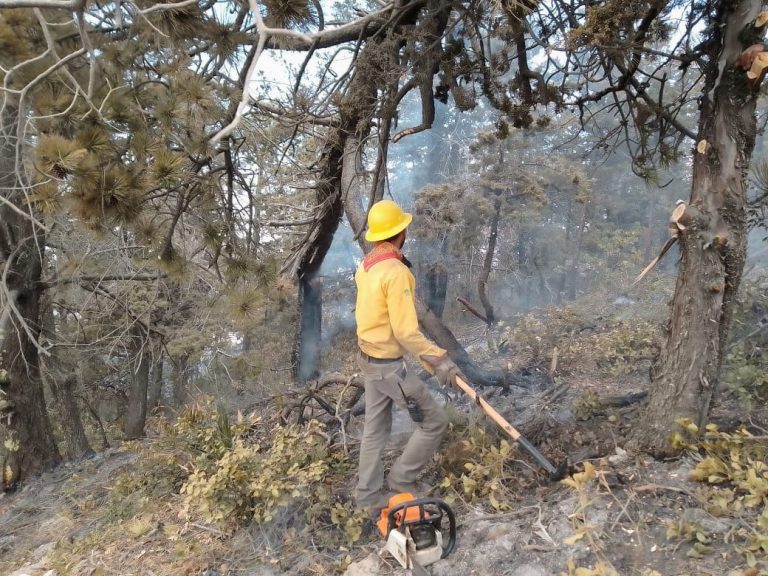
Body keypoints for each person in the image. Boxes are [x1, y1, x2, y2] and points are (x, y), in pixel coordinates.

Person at [354, 199, 462, 517]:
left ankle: (367, 497)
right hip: (388, 368)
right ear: (401, 231)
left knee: (374, 429)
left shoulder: (366, 265)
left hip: (368, 358)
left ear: (376, 236)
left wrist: (430, 361)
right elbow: (406, 332)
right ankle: (399, 484)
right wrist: (439, 359)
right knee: (434, 422)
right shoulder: (396, 272)